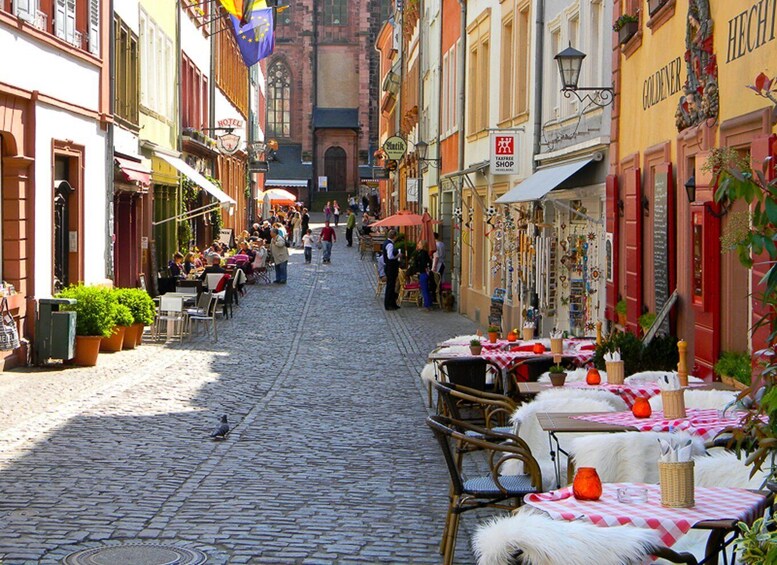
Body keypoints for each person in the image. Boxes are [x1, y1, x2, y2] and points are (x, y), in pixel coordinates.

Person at [408, 240, 433, 311]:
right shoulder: (424, 253)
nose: (418, 244)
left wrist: (418, 270)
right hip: (425, 273)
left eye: (419, 244)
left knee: (424, 289)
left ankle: (427, 306)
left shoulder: (422, 254)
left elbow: (422, 264)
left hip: (423, 273)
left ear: (423, 245)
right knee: (426, 289)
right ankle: (429, 304)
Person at [383, 229, 401, 310]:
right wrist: (398, 256)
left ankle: (392, 303)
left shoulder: (387, 242)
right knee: (390, 286)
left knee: (392, 285)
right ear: (395, 236)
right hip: (391, 267)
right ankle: (388, 304)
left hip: (389, 267)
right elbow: (390, 256)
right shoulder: (390, 244)